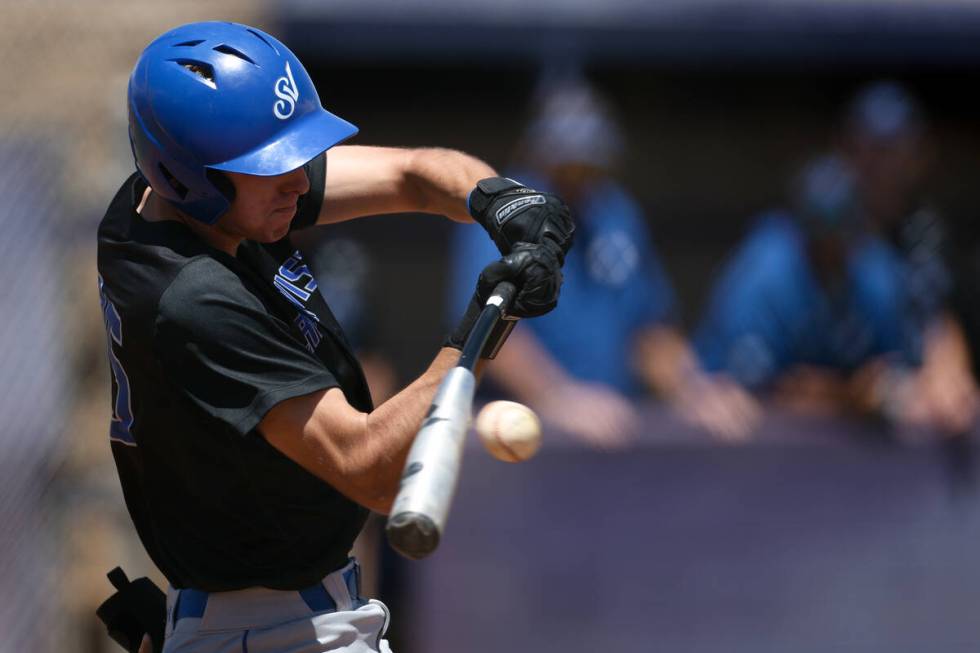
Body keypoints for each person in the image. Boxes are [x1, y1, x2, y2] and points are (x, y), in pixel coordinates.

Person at [96, 21, 571, 653]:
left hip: (264, 617)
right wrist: (491, 318)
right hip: (272, 634)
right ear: (193, 176)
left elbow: (413, 175)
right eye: (271, 165)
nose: (298, 180)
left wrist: (501, 201)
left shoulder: (178, 203)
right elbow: (371, 470)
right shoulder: (193, 299)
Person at [448, 78, 759, 445]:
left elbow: (647, 330)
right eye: (567, 163)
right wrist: (556, 396)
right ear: (537, 152)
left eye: (588, 162)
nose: (579, 176)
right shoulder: (505, 211)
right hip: (517, 433)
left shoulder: (614, 214)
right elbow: (483, 329)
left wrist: (693, 387)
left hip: (604, 430)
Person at [695, 153, 975, 434]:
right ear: (798, 228)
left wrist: (943, 374)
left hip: (848, 450)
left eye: (842, 232)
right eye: (821, 233)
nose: (832, 246)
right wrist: (850, 395)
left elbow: (927, 334)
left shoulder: (873, 269)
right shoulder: (762, 276)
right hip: (751, 446)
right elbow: (753, 393)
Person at [839, 82, 978, 433]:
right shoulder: (823, 234)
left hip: (900, 421)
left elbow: (938, 321)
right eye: (872, 150)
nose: (883, 167)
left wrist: (946, 373)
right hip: (825, 415)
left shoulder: (925, 232)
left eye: (895, 151)